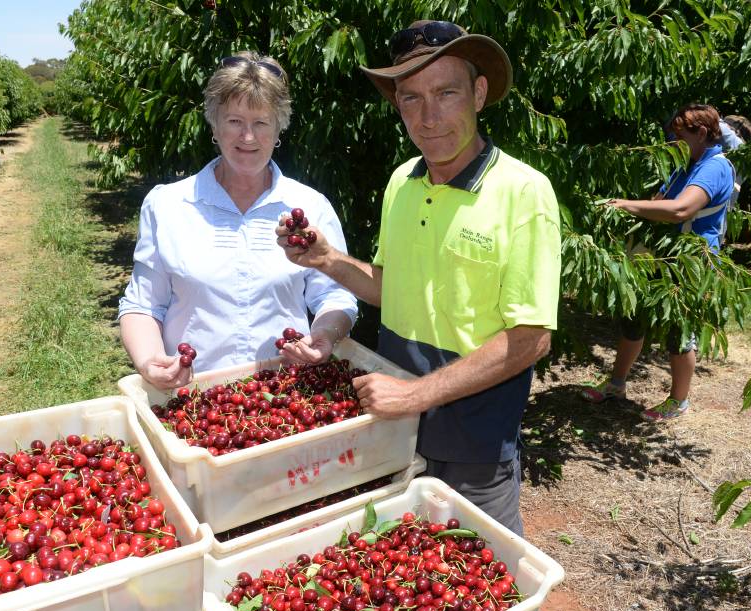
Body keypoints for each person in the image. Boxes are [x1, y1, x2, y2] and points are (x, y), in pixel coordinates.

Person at [276, 21, 561, 536]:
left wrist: (413, 396)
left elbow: (530, 340)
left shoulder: (524, 192)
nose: (428, 118)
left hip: (473, 442)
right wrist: (325, 260)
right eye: (411, 99)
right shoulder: (401, 183)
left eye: (446, 93)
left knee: (480, 576)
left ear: (478, 93)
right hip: (393, 431)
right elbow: (393, 288)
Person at [118, 52, 358, 389]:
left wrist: (324, 335)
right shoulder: (168, 205)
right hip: (193, 400)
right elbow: (143, 304)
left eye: (261, 123)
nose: (248, 137)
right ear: (214, 124)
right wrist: (150, 361)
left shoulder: (309, 206)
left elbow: (336, 296)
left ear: (279, 129)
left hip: (286, 398)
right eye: (234, 121)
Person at [580, 104, 736, 421]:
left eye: (677, 136)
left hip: (690, 261)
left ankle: (678, 401)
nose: (670, 143)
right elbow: (658, 202)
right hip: (660, 255)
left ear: (702, 133)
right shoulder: (685, 164)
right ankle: (616, 383)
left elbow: (681, 209)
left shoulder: (715, 167)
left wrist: (623, 205)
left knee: (678, 332)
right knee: (633, 318)